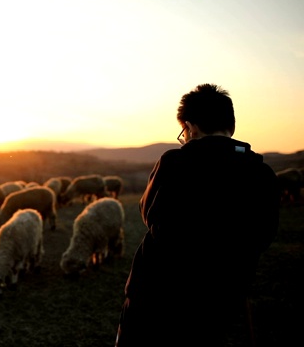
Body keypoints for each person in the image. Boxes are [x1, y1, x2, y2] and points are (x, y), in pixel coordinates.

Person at [114, 83, 281, 346]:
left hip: (158, 298)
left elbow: (150, 215)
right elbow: (264, 235)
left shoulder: (175, 162)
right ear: (232, 127)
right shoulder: (263, 174)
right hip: (222, 300)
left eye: (184, 132)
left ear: (190, 128)